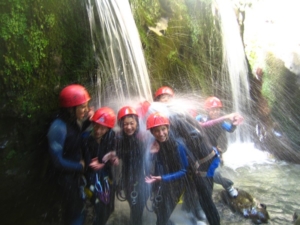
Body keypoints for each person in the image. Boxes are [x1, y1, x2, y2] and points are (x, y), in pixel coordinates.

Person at [47, 84, 93, 225]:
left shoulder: (71, 122)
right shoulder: (58, 127)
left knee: (79, 208)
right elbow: (57, 161)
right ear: (71, 109)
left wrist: (90, 121)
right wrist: (79, 166)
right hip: (65, 179)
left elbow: (76, 137)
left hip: (73, 176)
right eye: (83, 107)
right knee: (74, 212)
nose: (86, 110)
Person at [145, 112, 189, 225]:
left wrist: (163, 178)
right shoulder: (154, 144)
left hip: (175, 186)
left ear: (168, 128)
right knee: (157, 210)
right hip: (160, 183)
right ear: (152, 132)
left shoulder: (178, 145)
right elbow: (149, 165)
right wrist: (151, 154)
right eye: (156, 131)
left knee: (161, 218)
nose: (161, 134)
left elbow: (184, 171)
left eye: (163, 129)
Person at [196, 96, 244, 197]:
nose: (215, 112)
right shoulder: (201, 118)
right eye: (212, 110)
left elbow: (230, 129)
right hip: (199, 151)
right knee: (201, 175)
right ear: (207, 110)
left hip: (213, 152)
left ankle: (228, 186)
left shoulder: (221, 122)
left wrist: (234, 124)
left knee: (213, 175)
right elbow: (200, 125)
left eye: (217, 110)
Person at [82, 107, 119, 225]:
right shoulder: (86, 138)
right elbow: (88, 161)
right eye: (96, 126)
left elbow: (115, 151)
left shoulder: (111, 136)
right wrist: (90, 163)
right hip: (91, 176)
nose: (98, 130)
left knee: (110, 206)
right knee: (99, 205)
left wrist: (114, 157)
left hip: (106, 174)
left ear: (108, 128)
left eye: (102, 128)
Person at [115, 106, 148, 225]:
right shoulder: (119, 139)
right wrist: (115, 156)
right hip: (128, 179)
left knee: (138, 209)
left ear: (137, 123)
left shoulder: (143, 137)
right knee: (135, 209)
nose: (128, 127)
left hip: (144, 178)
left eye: (131, 123)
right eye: (125, 124)